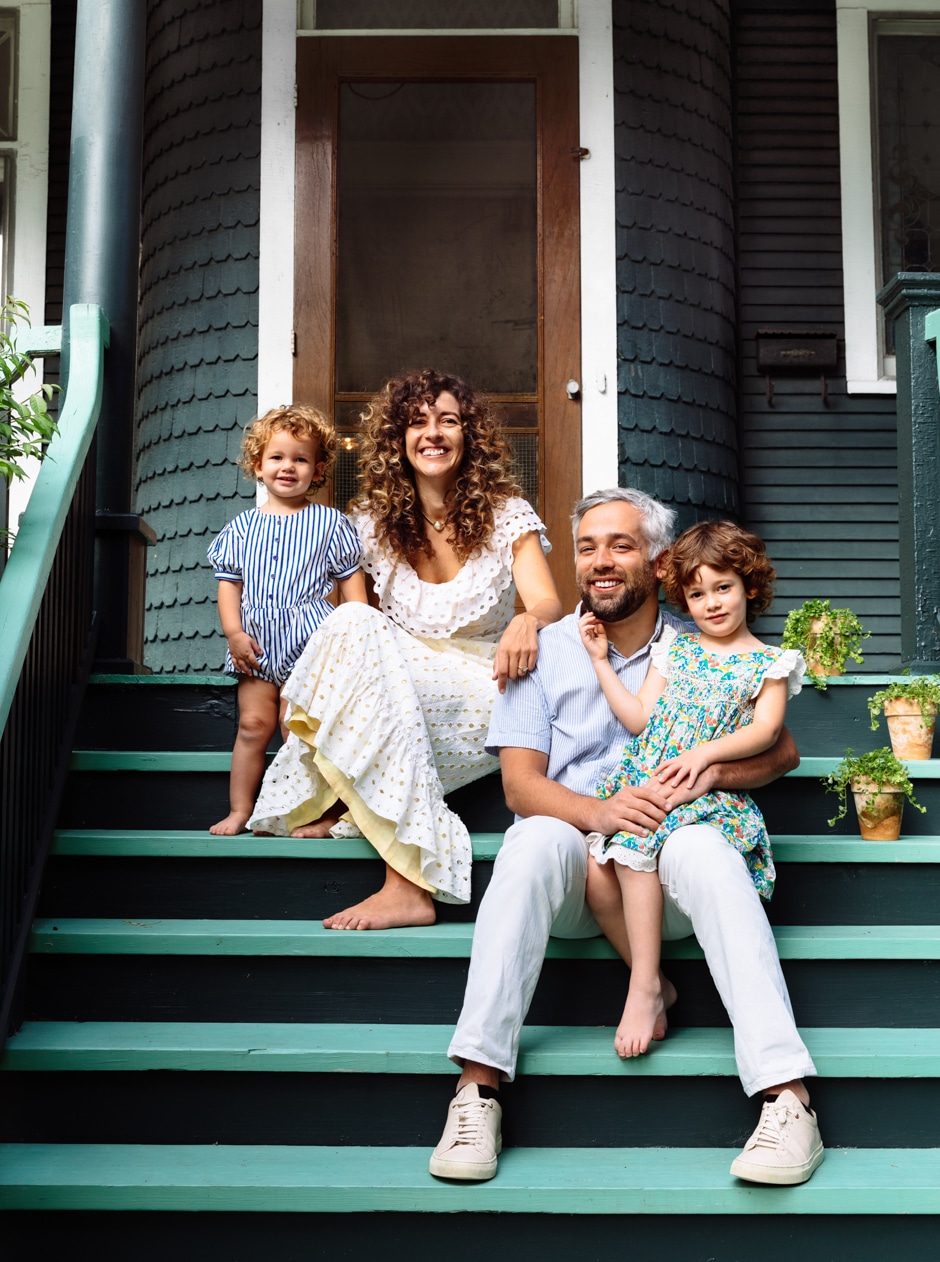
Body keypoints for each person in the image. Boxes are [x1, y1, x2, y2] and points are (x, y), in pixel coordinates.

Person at [429, 487, 823, 1188]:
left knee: (704, 847)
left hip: (670, 870)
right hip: (581, 877)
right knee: (528, 842)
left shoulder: (702, 640)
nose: (601, 562)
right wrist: (602, 813)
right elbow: (520, 787)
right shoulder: (543, 649)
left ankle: (787, 1098)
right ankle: (477, 1090)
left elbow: (781, 751)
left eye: (620, 544)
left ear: (659, 560)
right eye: (586, 547)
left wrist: (711, 777)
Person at [248, 369, 562, 930]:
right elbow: (349, 627)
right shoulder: (367, 523)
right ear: (398, 438)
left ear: (470, 436)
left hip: (485, 684)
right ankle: (355, 808)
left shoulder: (506, 513)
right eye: (417, 422)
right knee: (352, 621)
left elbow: (545, 603)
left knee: (365, 646)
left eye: (447, 420)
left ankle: (404, 879)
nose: (432, 433)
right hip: (400, 678)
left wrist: (528, 622)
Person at [579, 520, 804, 1059]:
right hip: (650, 778)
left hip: (705, 792)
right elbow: (638, 718)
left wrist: (705, 753)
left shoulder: (769, 663)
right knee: (596, 867)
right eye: (697, 594)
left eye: (723, 587)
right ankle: (650, 978)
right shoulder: (674, 651)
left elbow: (766, 731)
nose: (711, 603)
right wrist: (599, 662)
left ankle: (641, 988)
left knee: (635, 846)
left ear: (749, 586)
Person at [207, 404, 367, 836]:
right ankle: (241, 809)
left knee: (297, 730)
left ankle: (309, 812)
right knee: (253, 726)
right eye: (277, 457)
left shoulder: (331, 523)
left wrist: (356, 633)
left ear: (317, 470)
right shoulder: (241, 528)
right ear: (258, 465)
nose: (287, 467)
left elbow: (352, 586)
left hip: (312, 643)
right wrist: (234, 634)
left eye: (300, 459)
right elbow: (229, 587)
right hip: (256, 646)